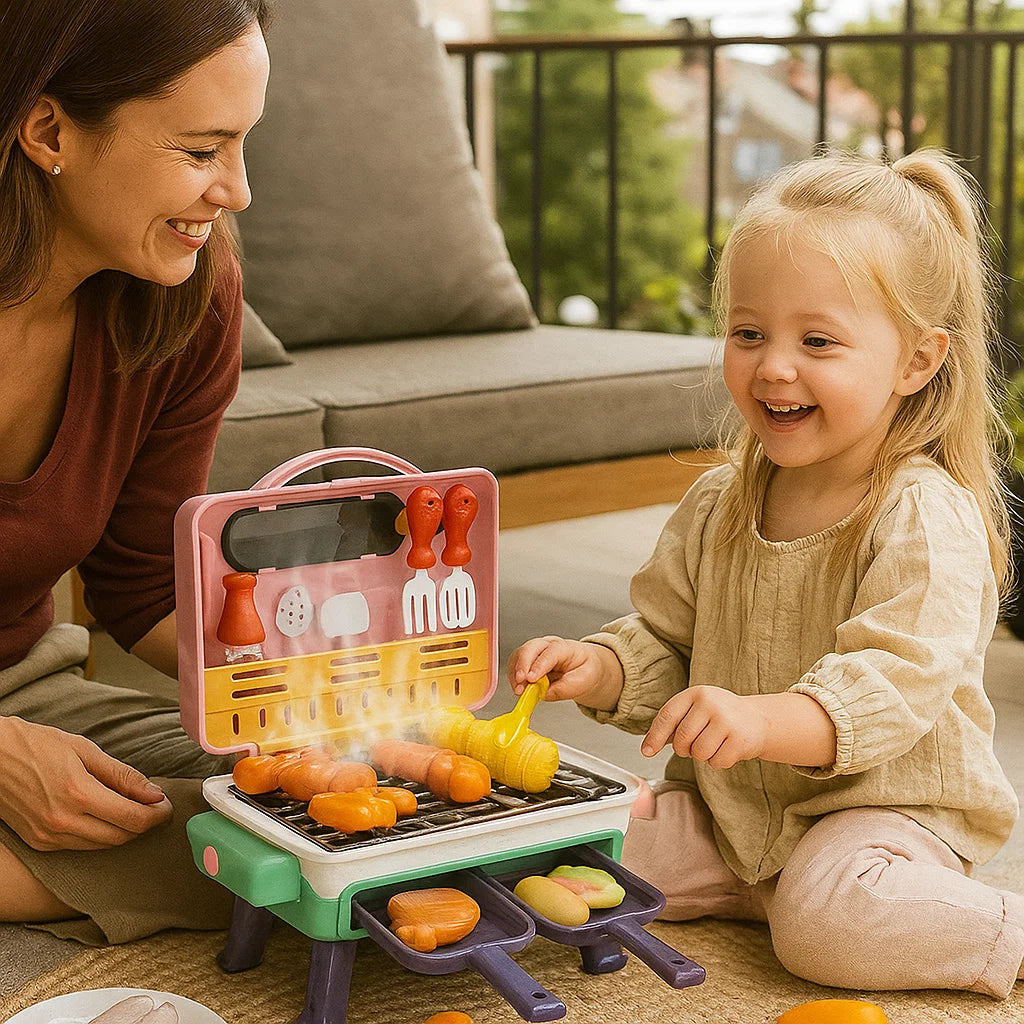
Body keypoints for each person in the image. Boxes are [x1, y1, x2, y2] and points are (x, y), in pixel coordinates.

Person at [510, 149, 1024, 998]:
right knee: (575, 840)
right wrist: (601, 666)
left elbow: (891, 687)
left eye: (817, 341)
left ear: (916, 362)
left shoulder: (922, 513)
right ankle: (764, 888)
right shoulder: (721, 501)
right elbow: (668, 639)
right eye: (749, 333)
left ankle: (968, 923)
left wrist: (757, 720)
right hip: (734, 813)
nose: (773, 365)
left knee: (830, 925)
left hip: (879, 813)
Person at [0, 0, 271, 944]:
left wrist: (304, 702)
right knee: (254, 865)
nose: (235, 191)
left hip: (26, 680)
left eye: (243, 147)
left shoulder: (187, 300)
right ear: (49, 132)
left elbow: (142, 582)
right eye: (201, 152)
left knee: (306, 814)